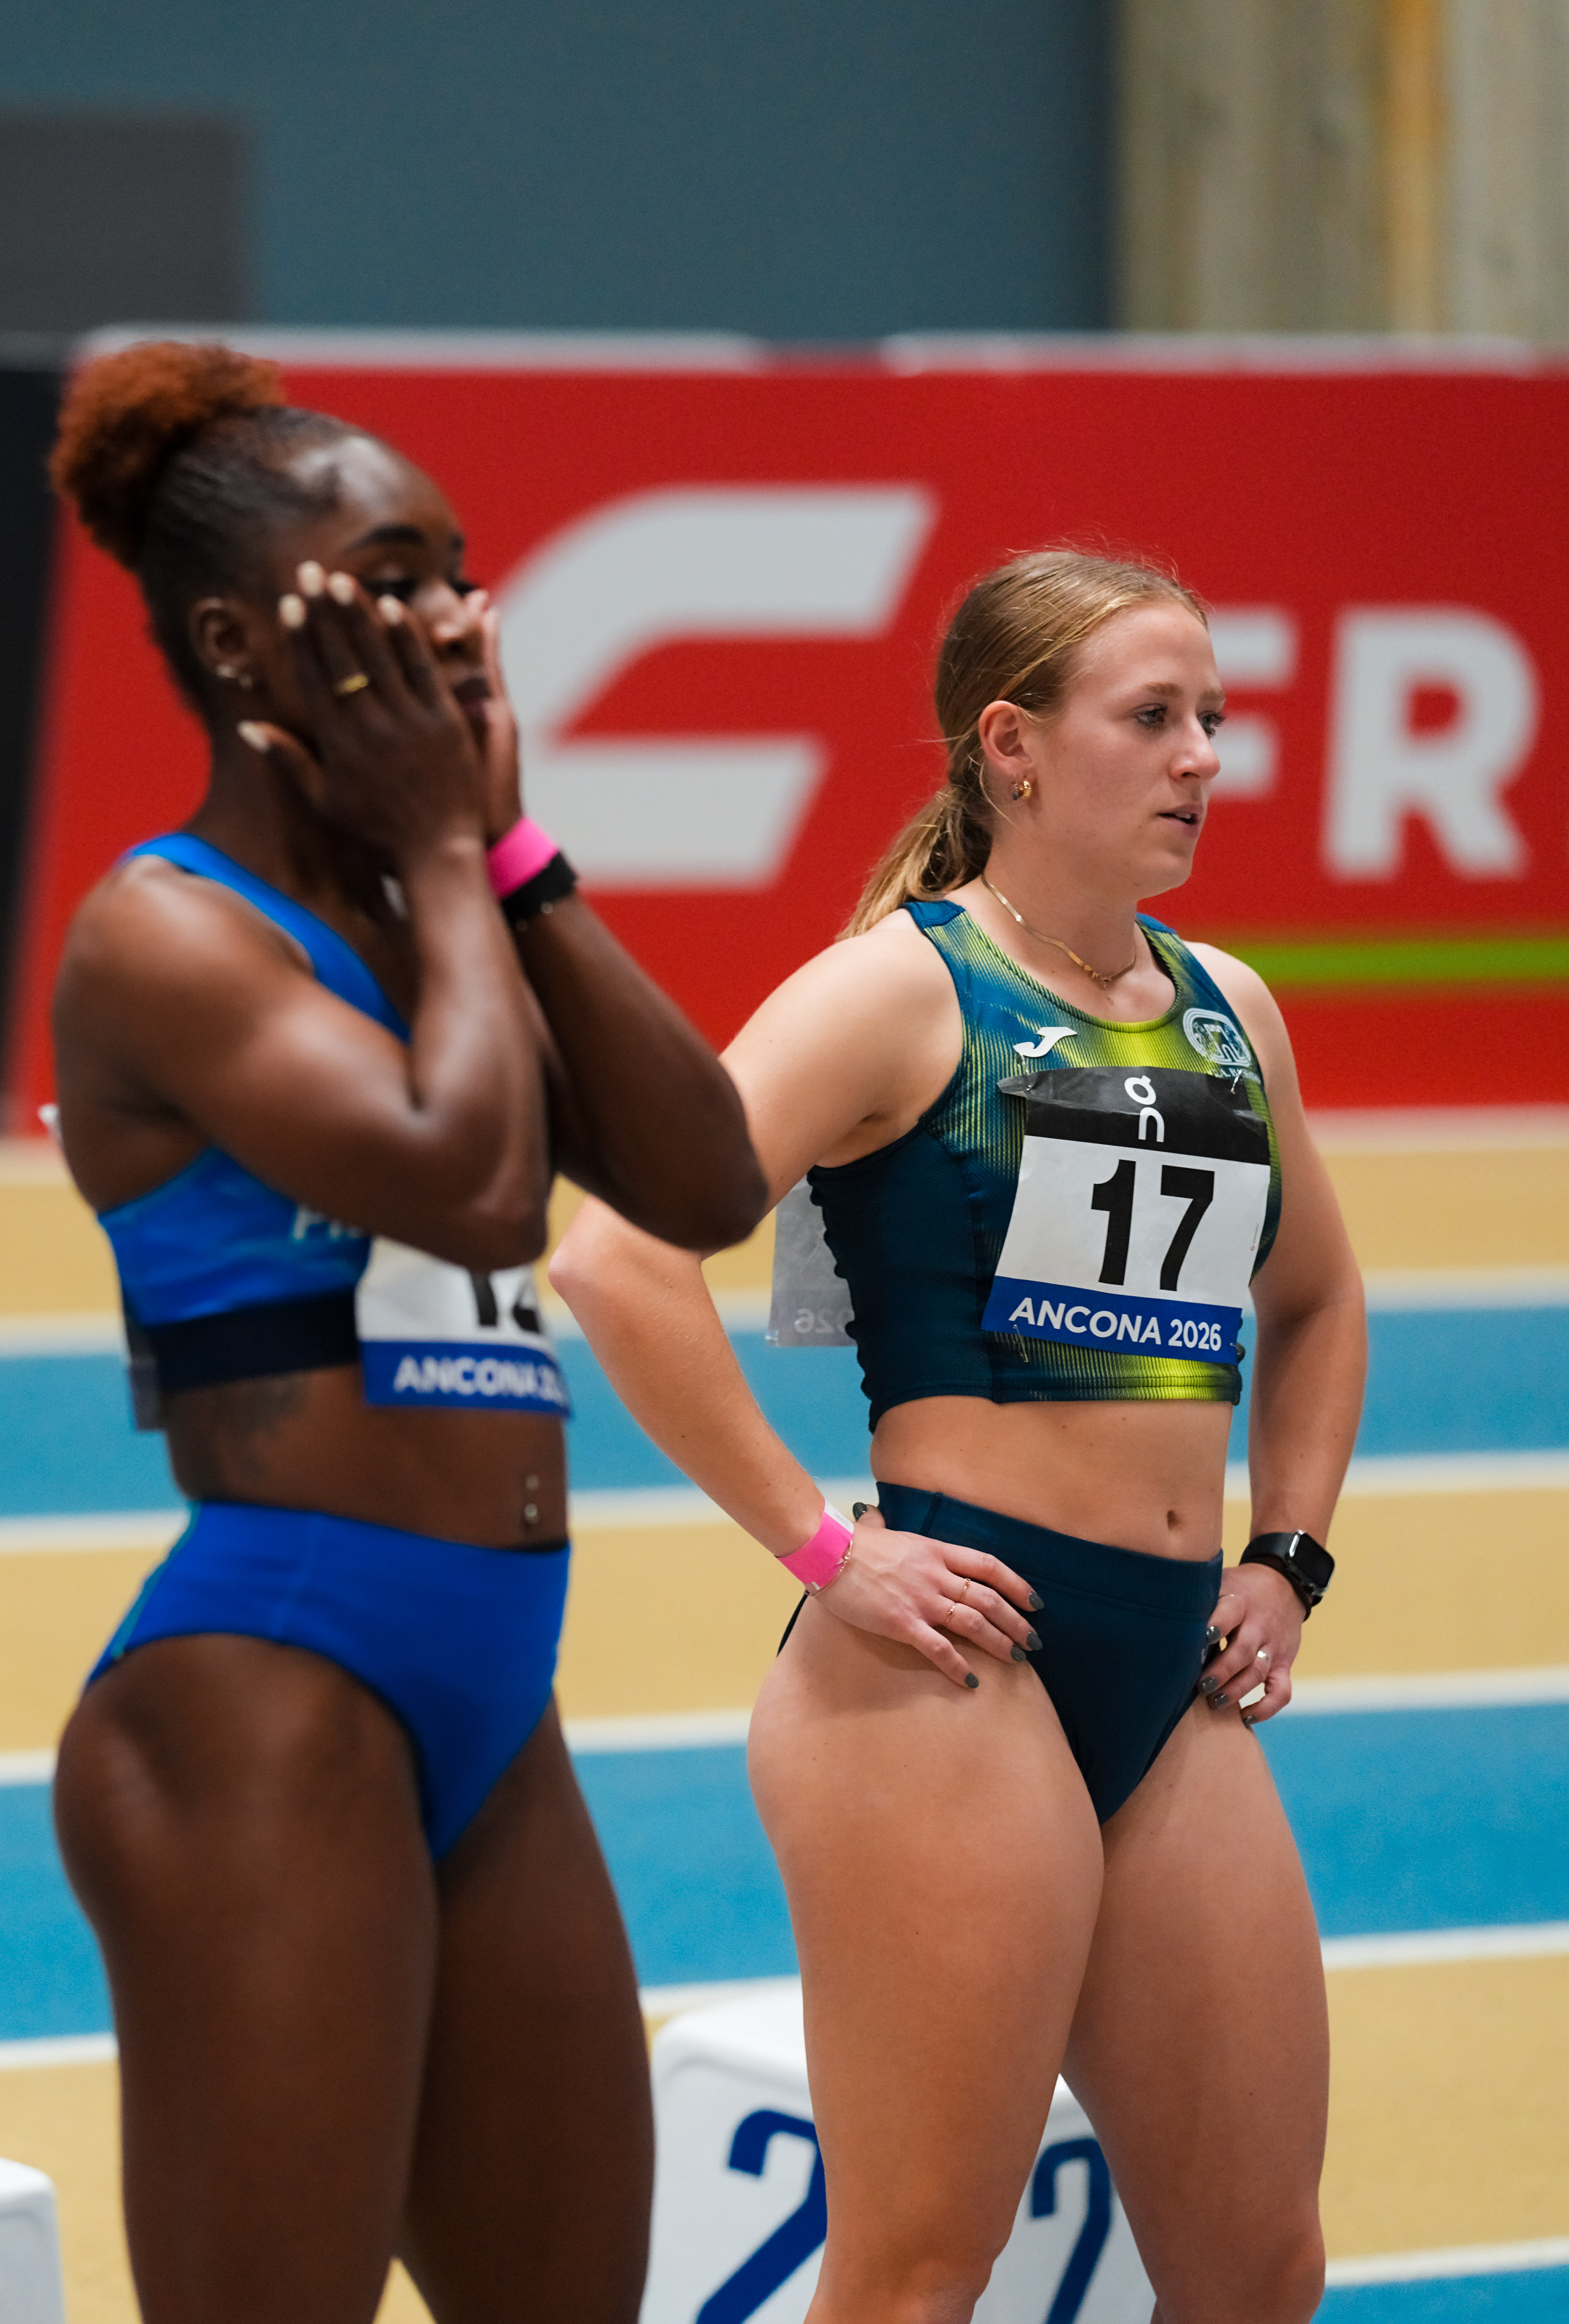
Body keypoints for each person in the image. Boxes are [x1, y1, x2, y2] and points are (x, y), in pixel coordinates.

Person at [553, 549, 1365, 2324]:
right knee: (919, 2271)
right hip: (946, 1671)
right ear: (1010, 745)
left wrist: (1286, 1554)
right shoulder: (896, 993)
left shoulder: (1229, 1008)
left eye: (1211, 718)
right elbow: (615, 1256)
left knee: (1259, 2270)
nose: (1201, 757)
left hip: (1168, 1672)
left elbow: (1313, 1300)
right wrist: (821, 1546)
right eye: (1151, 717)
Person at [45, 341, 766, 2324]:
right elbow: (471, 1185)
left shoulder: (442, 922)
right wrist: (448, 855)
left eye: (457, 570)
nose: (454, 615)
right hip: (271, 1683)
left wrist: (508, 855)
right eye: (390, 578)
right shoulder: (166, 931)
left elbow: (709, 1181)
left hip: (493, 1702)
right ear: (236, 643)